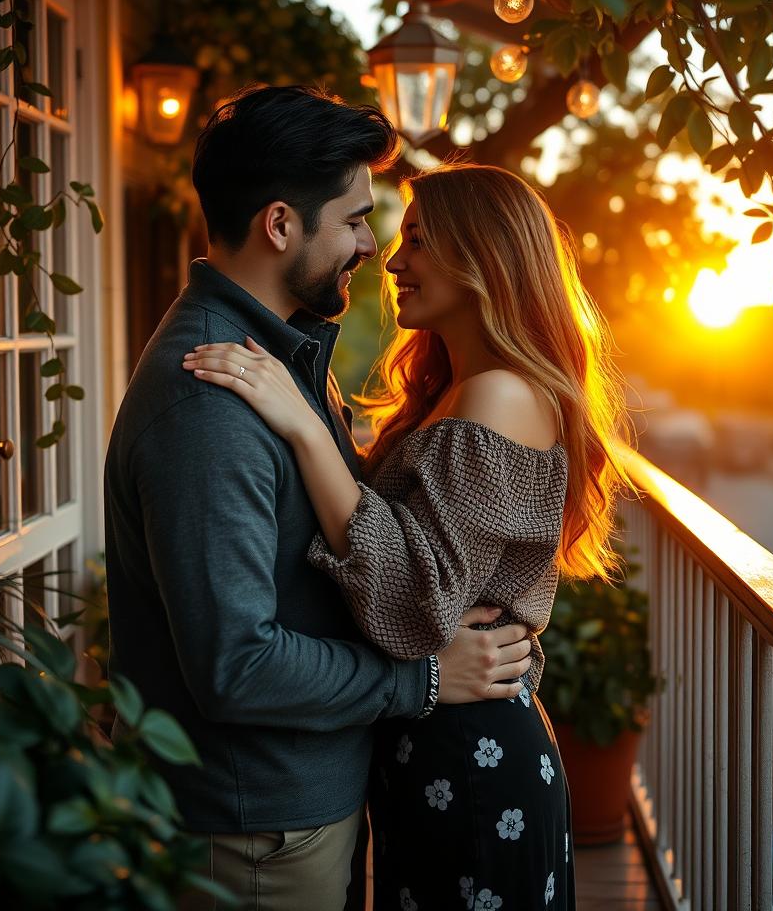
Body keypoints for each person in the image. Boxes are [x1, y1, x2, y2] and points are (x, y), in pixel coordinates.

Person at [104, 87, 534, 911]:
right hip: (256, 831)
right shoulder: (211, 404)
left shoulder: (281, 360)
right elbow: (237, 665)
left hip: (298, 807)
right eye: (355, 220)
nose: (371, 245)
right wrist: (424, 680)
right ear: (279, 226)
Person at [184, 162, 632, 910]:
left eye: (418, 240)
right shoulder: (461, 386)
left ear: (484, 255)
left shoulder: (503, 395)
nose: (393, 261)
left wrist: (301, 427)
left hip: (474, 763)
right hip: (435, 748)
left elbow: (416, 602)